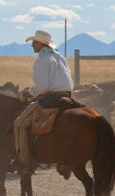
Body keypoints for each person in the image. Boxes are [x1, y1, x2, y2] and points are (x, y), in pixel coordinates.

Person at [11, 30, 74, 172]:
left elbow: (42, 87)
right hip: (67, 95)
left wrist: (29, 92)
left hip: (52, 98)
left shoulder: (42, 60)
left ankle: (24, 161)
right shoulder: (60, 58)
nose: (32, 45)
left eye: (34, 42)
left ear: (41, 44)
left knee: (19, 123)